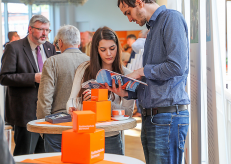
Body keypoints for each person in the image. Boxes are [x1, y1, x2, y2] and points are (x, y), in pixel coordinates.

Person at [111, 0, 190, 164]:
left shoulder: (171, 18)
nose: (129, 19)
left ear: (139, 3)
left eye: (128, 12)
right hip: (153, 117)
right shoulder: (152, 29)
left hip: (166, 117)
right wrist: (126, 92)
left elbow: (176, 66)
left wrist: (140, 71)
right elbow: (153, 80)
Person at [66, 26, 135, 155]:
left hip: (111, 137)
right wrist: (73, 108)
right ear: (96, 50)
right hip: (85, 133)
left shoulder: (127, 75)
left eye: (112, 48)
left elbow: (129, 113)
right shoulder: (83, 69)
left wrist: (103, 102)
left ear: (118, 48)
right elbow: (72, 100)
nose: (108, 54)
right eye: (103, 50)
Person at [0, 15, 56, 156]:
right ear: (30, 29)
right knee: (25, 155)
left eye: (47, 30)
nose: (45, 34)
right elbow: (4, 77)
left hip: (47, 112)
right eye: (41, 29)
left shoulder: (50, 48)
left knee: (44, 156)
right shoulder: (14, 48)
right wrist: (33, 77)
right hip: (25, 112)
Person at [36, 25, 89, 152]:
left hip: (57, 126)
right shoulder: (90, 61)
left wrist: (43, 128)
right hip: (85, 123)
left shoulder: (52, 62)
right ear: (78, 41)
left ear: (60, 42)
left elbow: (45, 99)